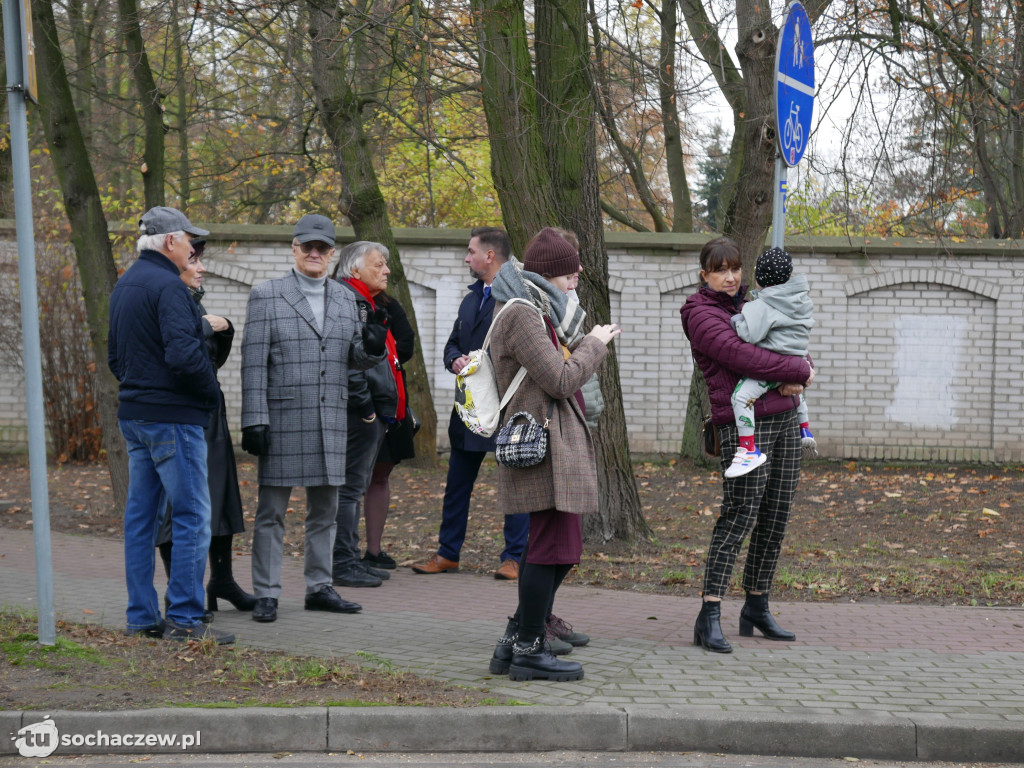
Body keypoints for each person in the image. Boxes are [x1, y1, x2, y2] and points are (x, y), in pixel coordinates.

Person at [485, 227, 620, 682]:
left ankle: (515, 641)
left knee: (560, 549)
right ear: (548, 274)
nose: (576, 280)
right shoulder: (522, 314)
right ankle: (528, 649)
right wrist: (595, 345)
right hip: (540, 446)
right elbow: (561, 380)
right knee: (549, 550)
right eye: (569, 274)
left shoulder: (538, 310)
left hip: (554, 445)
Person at [240, 214, 387, 623]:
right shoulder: (266, 295)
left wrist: (372, 347)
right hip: (283, 418)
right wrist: (254, 419)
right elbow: (253, 365)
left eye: (322, 248)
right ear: (294, 248)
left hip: (330, 418)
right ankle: (267, 592)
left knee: (325, 510)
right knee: (271, 513)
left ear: (332, 254)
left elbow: (354, 358)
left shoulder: (344, 299)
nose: (314, 253)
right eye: (307, 246)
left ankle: (319, 586)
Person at [679, 236, 815, 654]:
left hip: (786, 418)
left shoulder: (752, 303)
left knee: (775, 516)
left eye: (735, 268)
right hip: (743, 426)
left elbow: (786, 340)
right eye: (721, 270)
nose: (730, 277)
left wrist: (799, 371)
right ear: (705, 274)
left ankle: (756, 605)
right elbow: (742, 358)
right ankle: (710, 612)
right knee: (739, 515)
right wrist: (800, 368)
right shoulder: (699, 313)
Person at [107, 206, 233, 644]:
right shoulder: (170, 288)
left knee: (141, 520)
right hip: (173, 417)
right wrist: (210, 395)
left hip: (136, 415)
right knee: (193, 516)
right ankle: (184, 619)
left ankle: (141, 617)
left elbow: (114, 359)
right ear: (168, 242)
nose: (193, 247)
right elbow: (184, 356)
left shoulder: (125, 284)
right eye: (188, 240)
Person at [411, 227, 529, 580]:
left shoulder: (519, 298)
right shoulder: (470, 298)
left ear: (489, 256)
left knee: (514, 488)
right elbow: (452, 344)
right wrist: (455, 361)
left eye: (470, 251)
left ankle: (515, 558)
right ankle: (448, 553)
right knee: (457, 485)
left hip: (508, 408)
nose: (466, 258)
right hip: (469, 409)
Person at [155, 238, 255, 618]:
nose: (202, 268)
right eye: (193, 261)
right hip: (179, 415)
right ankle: (181, 591)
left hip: (210, 416)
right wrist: (204, 327)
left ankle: (222, 581)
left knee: (219, 497)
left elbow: (212, 360)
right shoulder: (165, 300)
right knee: (176, 504)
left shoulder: (192, 302)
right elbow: (172, 354)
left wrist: (223, 328)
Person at [330, 241, 401, 589]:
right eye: (379, 264)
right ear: (355, 270)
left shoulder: (365, 302)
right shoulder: (350, 302)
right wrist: (367, 409)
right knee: (349, 488)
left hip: (369, 408)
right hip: (360, 410)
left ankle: (349, 558)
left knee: (354, 486)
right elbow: (350, 361)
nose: (386, 270)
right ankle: (343, 563)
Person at [725, 246, 817, 478]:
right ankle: (805, 429)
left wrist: (737, 320)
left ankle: (748, 450)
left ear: (760, 279)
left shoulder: (762, 306)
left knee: (740, 396)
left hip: (772, 368)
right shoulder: (801, 301)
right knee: (798, 392)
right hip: (797, 360)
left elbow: (750, 335)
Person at [362, 287, 418, 571]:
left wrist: (384, 355)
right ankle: (339, 554)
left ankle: (374, 550)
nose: (385, 270)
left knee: (381, 474)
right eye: (378, 264)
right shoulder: (338, 299)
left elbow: (406, 343)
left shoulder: (388, 303)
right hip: (354, 402)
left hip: (389, 399)